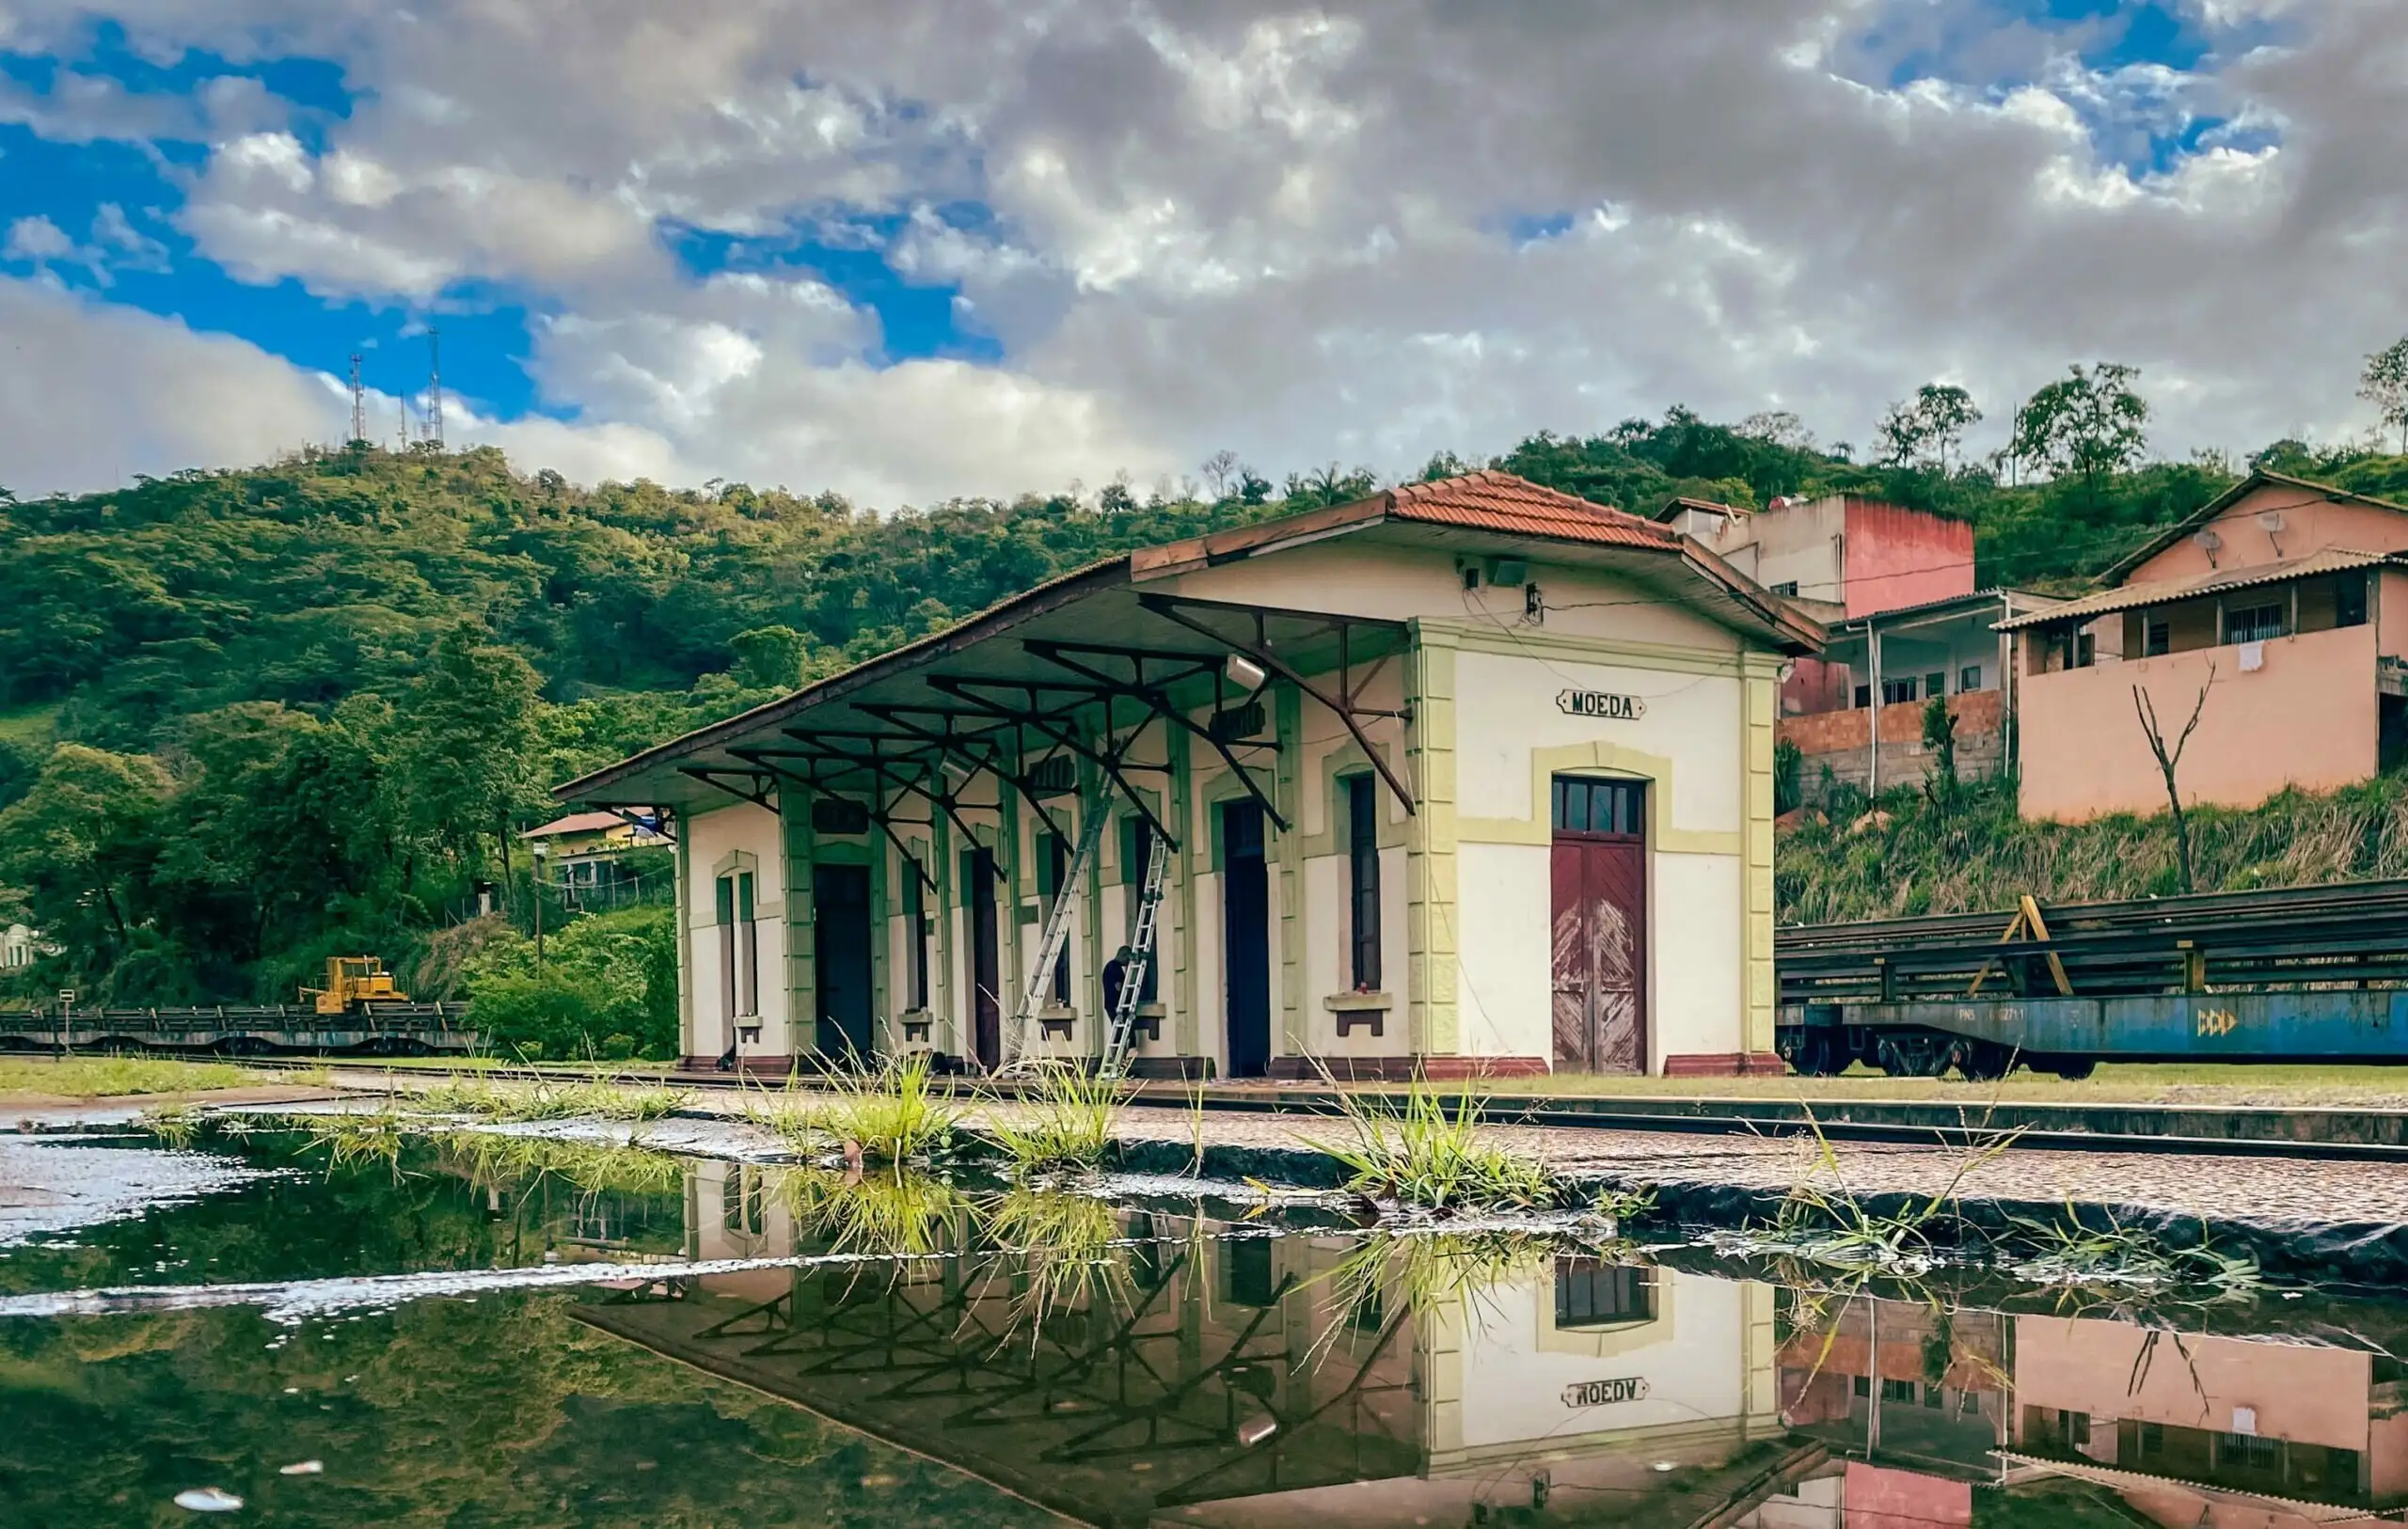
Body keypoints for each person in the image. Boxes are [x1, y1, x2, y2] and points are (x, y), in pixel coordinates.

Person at [1101, 944, 1133, 1017]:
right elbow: (1118, 987)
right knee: (1120, 1028)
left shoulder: (1110, 966)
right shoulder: (1115, 967)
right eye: (1127, 959)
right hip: (1116, 1005)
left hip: (1111, 1005)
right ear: (1123, 956)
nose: (1128, 962)